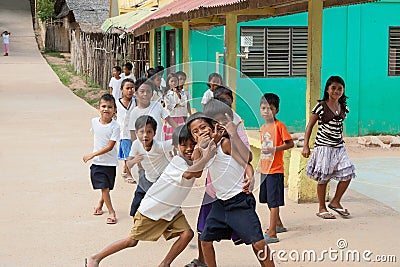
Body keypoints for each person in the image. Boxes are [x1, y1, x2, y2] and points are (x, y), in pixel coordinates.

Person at [85, 125, 217, 267]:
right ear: (176, 147)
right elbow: (195, 173)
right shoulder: (178, 162)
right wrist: (200, 152)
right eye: (184, 145)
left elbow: (204, 160)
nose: (189, 149)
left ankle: (164, 264)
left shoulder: (193, 160)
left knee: (187, 234)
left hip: (171, 211)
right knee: (132, 241)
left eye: (193, 145)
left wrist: (212, 140)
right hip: (152, 210)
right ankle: (95, 258)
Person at [187, 112, 274, 267]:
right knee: (205, 241)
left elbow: (245, 163)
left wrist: (250, 176)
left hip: (240, 201)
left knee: (258, 243)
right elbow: (195, 172)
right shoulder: (199, 151)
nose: (201, 132)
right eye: (196, 131)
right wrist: (202, 150)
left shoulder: (224, 144)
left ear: (212, 127)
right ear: (194, 138)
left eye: (203, 127)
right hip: (220, 203)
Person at [302, 76, 355, 219]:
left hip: (339, 147)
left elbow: (339, 127)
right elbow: (310, 126)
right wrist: (306, 145)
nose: (336, 91)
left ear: (343, 91)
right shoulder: (320, 106)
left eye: (340, 88)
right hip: (324, 147)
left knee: (348, 173)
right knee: (324, 178)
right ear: (327, 89)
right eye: (333, 88)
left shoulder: (344, 107)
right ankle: (321, 207)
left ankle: (336, 202)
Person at [259, 93, 294, 243]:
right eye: (264, 108)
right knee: (267, 199)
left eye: (270, 108)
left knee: (274, 202)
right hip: (264, 170)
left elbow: (290, 143)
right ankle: (278, 224)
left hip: (275, 170)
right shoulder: (263, 127)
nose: (267, 111)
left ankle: (272, 232)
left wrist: (275, 149)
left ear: (276, 110)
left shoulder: (280, 126)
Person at [83, 94, 120, 224]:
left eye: (110, 107)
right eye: (103, 106)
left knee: (107, 188)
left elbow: (110, 147)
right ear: (98, 108)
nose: (106, 109)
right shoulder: (94, 122)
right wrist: (94, 157)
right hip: (98, 163)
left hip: (110, 163)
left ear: (114, 110)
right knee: (104, 187)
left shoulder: (115, 126)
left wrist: (92, 155)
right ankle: (111, 212)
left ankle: (100, 204)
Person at [127, 115, 174, 217]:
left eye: (149, 132)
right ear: (136, 133)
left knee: (160, 202)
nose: (145, 135)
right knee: (138, 197)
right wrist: (134, 160)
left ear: (154, 133)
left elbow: (176, 142)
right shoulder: (136, 144)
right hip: (148, 177)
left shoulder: (159, 146)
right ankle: (134, 216)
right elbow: (128, 164)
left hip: (161, 179)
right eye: (142, 132)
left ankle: (166, 222)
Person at [128, 78, 178, 142]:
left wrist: (180, 130)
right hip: (144, 148)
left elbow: (169, 119)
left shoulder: (157, 105)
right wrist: (136, 149)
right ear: (136, 93)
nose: (145, 94)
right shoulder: (134, 112)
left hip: (159, 145)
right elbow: (133, 133)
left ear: (152, 94)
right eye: (142, 91)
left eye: (148, 91)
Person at [115, 78, 136, 184]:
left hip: (135, 133)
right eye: (127, 88)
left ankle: (125, 168)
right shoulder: (117, 103)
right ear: (121, 89)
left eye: (132, 88)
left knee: (134, 153)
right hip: (123, 133)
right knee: (128, 155)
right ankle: (129, 174)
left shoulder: (136, 102)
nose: (130, 90)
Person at [164, 73, 187, 140]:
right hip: (171, 117)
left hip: (179, 116)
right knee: (170, 135)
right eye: (172, 81)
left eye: (175, 81)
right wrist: (177, 105)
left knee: (180, 134)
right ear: (168, 82)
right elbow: (168, 106)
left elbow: (184, 102)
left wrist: (177, 93)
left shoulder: (181, 92)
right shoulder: (167, 94)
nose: (174, 83)